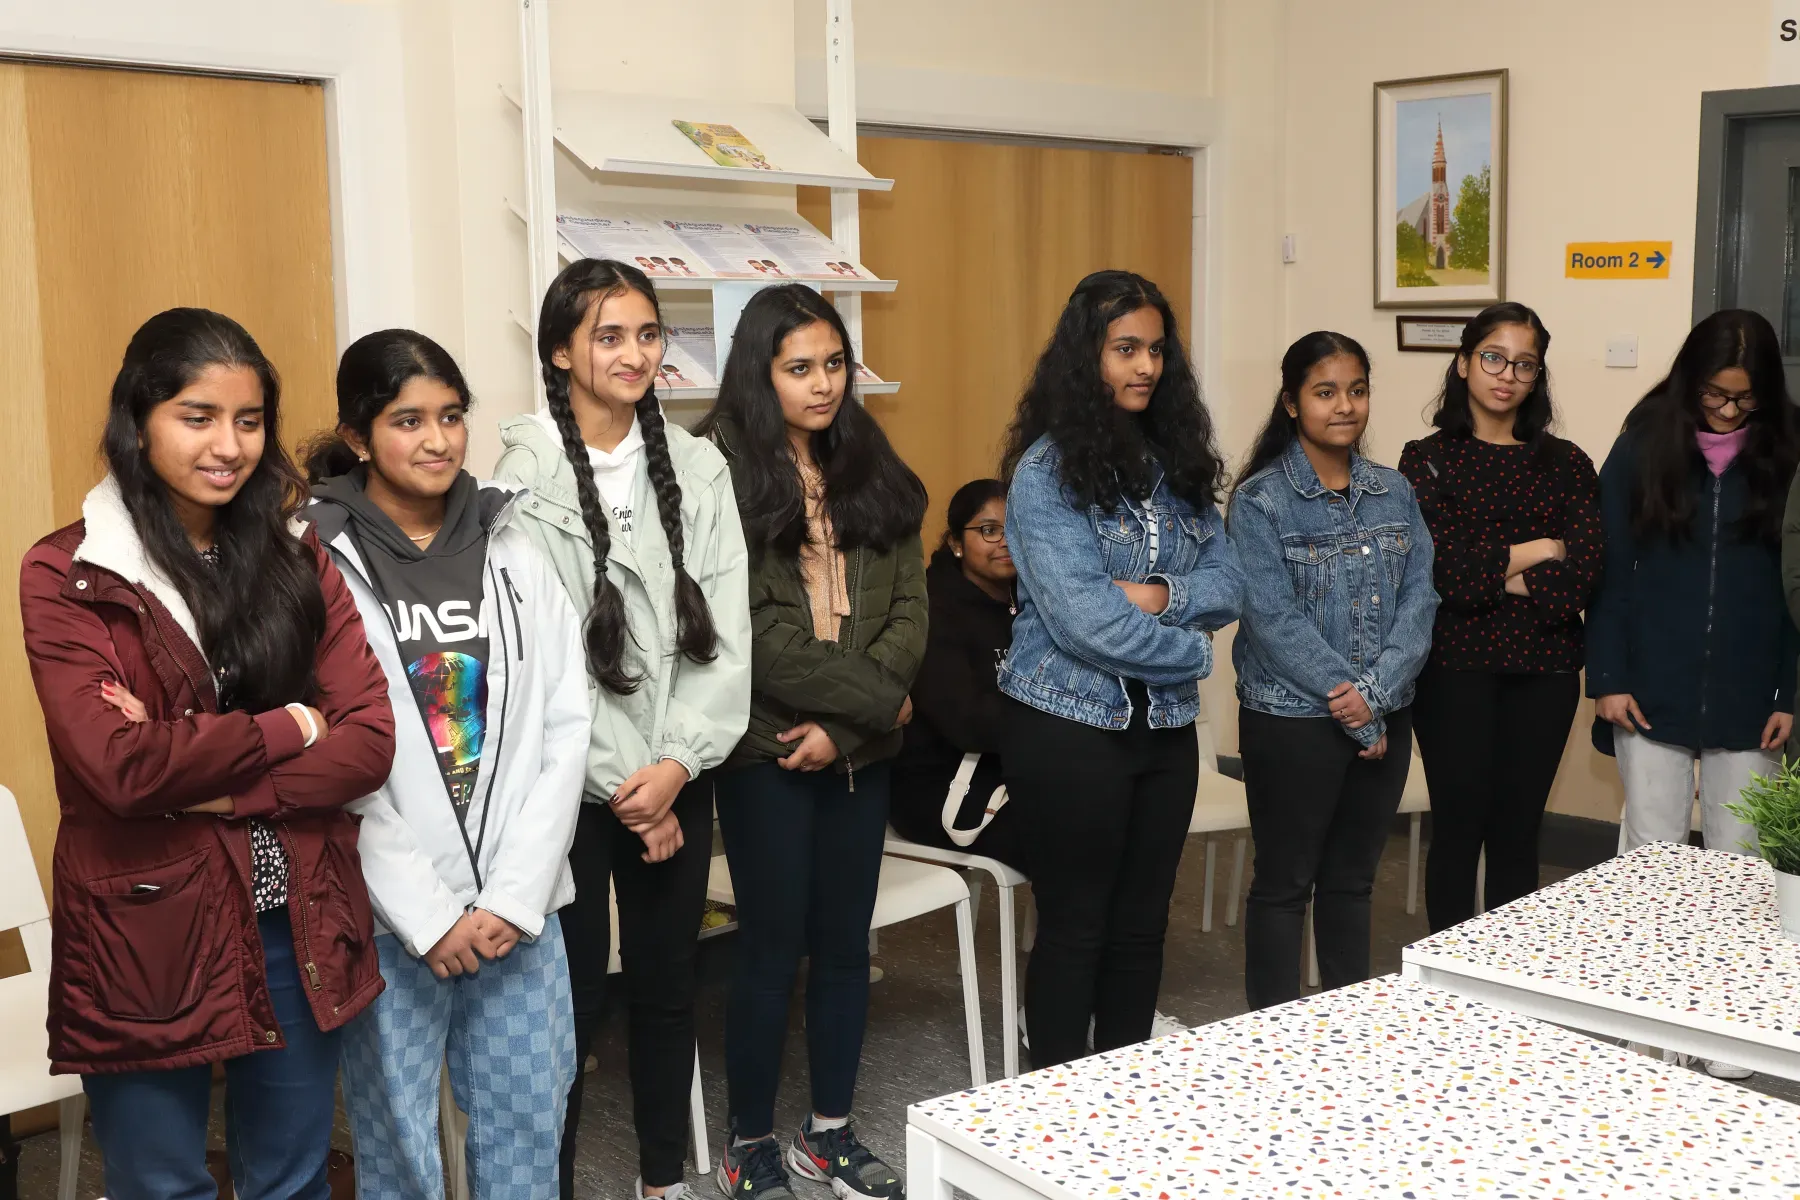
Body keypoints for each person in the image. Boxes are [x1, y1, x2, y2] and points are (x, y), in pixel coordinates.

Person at [21, 308, 395, 1200]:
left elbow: (370, 742)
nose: (229, 446)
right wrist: (295, 723)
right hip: (147, 930)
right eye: (198, 417)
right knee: (159, 1187)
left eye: (249, 420)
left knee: (292, 1181)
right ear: (138, 419)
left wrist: (224, 788)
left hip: (294, 914)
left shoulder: (297, 554)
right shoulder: (71, 573)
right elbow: (121, 770)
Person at [303, 330, 592, 1196]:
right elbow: (329, 756)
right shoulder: (312, 561)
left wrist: (513, 895)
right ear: (357, 437)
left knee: (527, 1128)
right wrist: (427, 915)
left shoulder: (514, 546)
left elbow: (565, 725)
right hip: (390, 915)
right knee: (397, 1141)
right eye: (408, 420)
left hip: (518, 911)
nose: (437, 440)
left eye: (452, 416)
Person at [493, 258, 751, 1200]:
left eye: (648, 334)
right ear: (561, 353)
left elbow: (725, 640)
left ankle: (661, 1181)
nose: (635, 354)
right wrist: (631, 788)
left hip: (677, 773)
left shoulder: (699, 466)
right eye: (609, 336)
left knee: (668, 984)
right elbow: (541, 660)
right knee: (565, 1004)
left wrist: (675, 765)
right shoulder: (522, 478)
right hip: (570, 786)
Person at [694, 284, 926, 1200]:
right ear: (760, 373)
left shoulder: (869, 456)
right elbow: (754, 635)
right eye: (800, 368)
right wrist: (882, 705)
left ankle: (828, 1134)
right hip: (769, 748)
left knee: (842, 946)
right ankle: (748, 1141)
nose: (824, 384)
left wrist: (854, 723)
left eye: (834, 364)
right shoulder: (715, 469)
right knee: (768, 949)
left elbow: (910, 610)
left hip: (856, 751)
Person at [997, 269, 1242, 1070]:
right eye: (1125, 349)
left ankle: (1124, 1098)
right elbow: (1086, 622)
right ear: (1087, 357)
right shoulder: (1045, 473)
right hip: (1068, 727)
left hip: (1162, 727)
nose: (1145, 366)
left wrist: (1156, 594)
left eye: (1157, 350)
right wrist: (1192, 648)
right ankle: (1049, 1106)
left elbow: (1231, 581)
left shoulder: (1177, 464)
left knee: (1141, 929)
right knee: (1077, 927)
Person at [1229, 332, 1437, 1010]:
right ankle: (1270, 1033)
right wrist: (1350, 700)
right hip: (1291, 720)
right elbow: (1271, 618)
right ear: (1292, 403)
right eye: (1325, 392)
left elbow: (1420, 600)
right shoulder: (1260, 500)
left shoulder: (1394, 491)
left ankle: (1346, 1028)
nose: (1344, 406)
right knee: (1284, 885)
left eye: (1356, 390)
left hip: (1384, 713)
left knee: (1352, 882)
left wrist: (1372, 698)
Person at [1398, 302, 1603, 934]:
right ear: (1464, 363)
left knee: (1518, 834)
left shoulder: (1568, 463)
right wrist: (1541, 548)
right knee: (1458, 831)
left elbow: (1581, 577)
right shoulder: (1425, 459)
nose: (1507, 375)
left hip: (1544, 670)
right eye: (1493, 358)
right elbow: (1443, 573)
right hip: (1454, 669)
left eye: (1524, 364)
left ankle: (1509, 972)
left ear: (1538, 376)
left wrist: (1488, 568)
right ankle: (1446, 973)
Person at [1593, 310, 1798, 850]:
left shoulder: (1791, 453)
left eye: (1746, 398)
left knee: (1744, 856)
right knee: (1650, 853)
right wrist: (1608, 677)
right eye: (1715, 394)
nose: (1728, 411)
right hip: (1648, 689)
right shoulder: (1641, 446)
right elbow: (1609, 569)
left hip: (1756, 696)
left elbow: (1797, 588)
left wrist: (1791, 693)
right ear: (1690, 380)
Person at [889, 479, 1024, 868]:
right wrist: (1053, 723)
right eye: (989, 530)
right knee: (1072, 838)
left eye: (1015, 528)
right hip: (940, 784)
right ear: (956, 542)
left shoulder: (1033, 599)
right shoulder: (932, 609)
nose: (1005, 542)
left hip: (1011, 769)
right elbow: (969, 723)